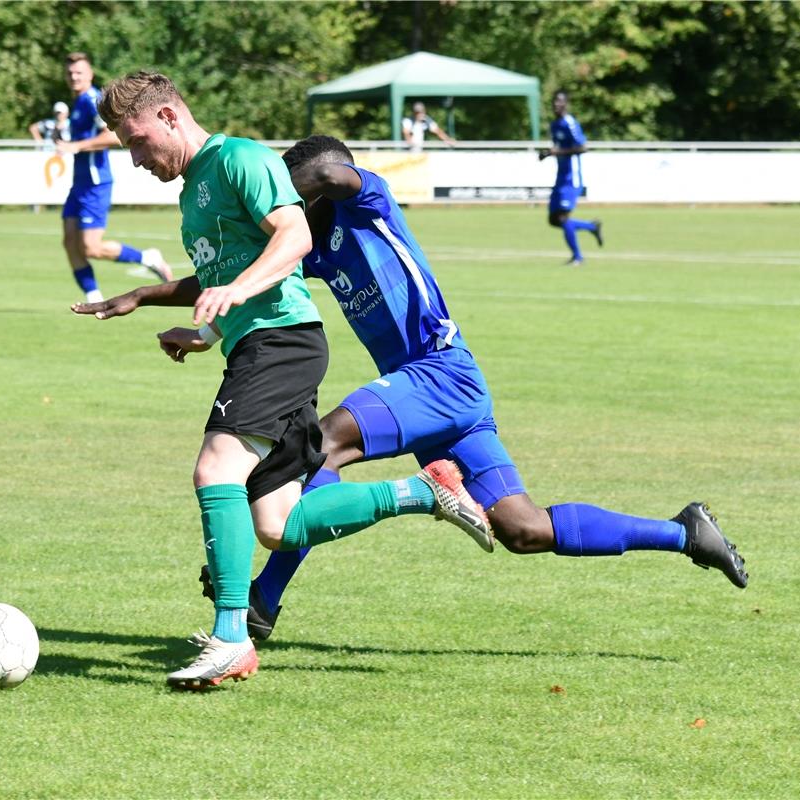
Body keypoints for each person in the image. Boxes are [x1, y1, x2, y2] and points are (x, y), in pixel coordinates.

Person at [194, 135, 747, 642]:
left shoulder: (367, 201)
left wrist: (273, 186)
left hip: (437, 374)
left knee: (325, 445)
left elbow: (334, 174)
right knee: (523, 529)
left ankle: (264, 596)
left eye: (292, 193)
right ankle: (685, 534)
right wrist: (144, 296)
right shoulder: (311, 245)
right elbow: (246, 270)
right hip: (443, 393)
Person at [77, 72, 493, 690]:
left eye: (137, 141)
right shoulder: (194, 191)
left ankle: (230, 638)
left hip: (283, 344)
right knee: (277, 523)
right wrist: (206, 329)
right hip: (260, 342)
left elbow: (294, 236)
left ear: (168, 117)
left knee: (215, 472)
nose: (135, 159)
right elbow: (236, 272)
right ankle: (422, 492)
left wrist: (235, 293)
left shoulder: (240, 158)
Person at [53, 52, 172, 302]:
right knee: (69, 241)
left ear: (90, 74)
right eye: (70, 73)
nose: (74, 77)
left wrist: (76, 146)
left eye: (79, 73)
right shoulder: (77, 103)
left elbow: (112, 136)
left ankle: (147, 257)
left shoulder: (93, 100)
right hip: (80, 183)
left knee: (91, 247)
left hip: (96, 183)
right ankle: (93, 297)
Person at [539, 90, 603, 266]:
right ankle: (592, 227)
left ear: (566, 104)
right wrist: (548, 154)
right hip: (560, 177)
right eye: (555, 101)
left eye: (561, 102)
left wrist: (556, 152)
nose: (557, 105)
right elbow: (558, 148)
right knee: (553, 219)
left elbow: (582, 147)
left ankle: (578, 257)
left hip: (571, 178)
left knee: (562, 218)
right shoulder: (555, 125)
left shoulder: (570, 123)